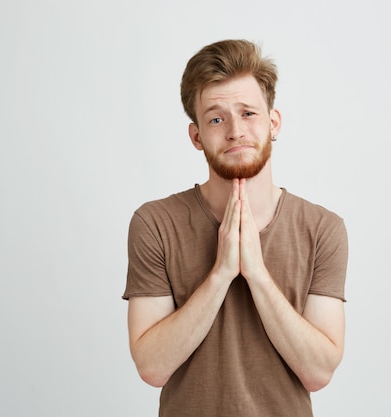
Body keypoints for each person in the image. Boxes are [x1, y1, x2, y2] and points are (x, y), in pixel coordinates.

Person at [123, 39, 348, 417]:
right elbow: (152, 367)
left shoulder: (322, 228)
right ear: (196, 136)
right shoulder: (155, 223)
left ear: (273, 122)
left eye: (248, 113)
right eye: (216, 118)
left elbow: (319, 372)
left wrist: (257, 274)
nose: (235, 131)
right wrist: (221, 273)